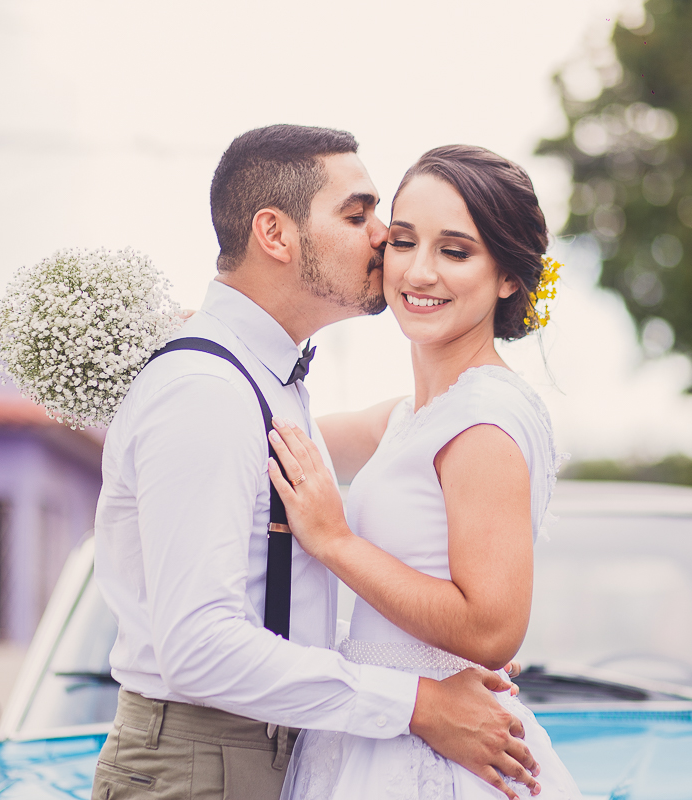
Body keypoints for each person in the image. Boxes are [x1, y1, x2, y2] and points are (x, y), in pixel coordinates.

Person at [91, 127, 541, 800]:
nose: (383, 238)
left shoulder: (267, 382)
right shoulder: (206, 390)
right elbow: (198, 647)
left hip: (280, 750)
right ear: (275, 235)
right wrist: (414, 701)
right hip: (203, 763)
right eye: (358, 215)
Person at [266, 145, 581, 799]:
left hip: (432, 758)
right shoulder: (414, 415)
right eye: (404, 242)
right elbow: (276, 433)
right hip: (384, 724)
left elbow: (492, 629)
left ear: (507, 277)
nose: (420, 271)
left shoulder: (484, 420)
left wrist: (335, 542)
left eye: (456, 251)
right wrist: (213, 337)